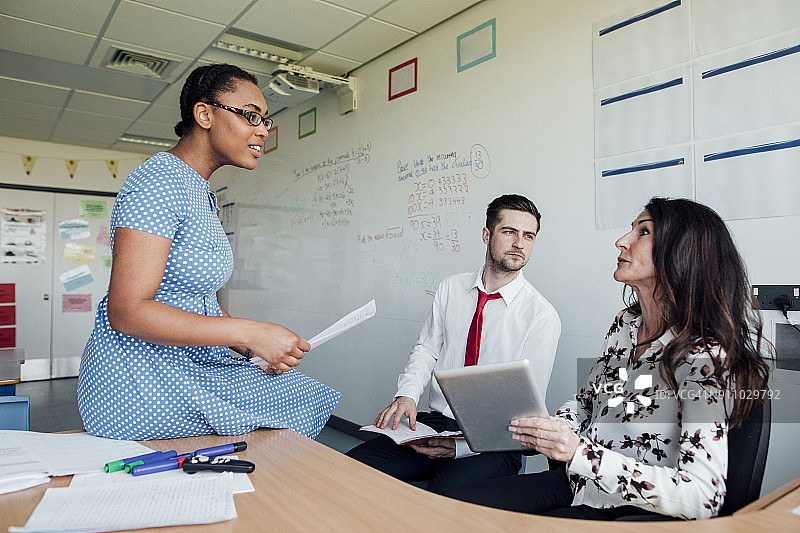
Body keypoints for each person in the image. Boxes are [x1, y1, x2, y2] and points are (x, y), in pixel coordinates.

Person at [443, 197, 770, 520]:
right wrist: (551, 428)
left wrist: (578, 452)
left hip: (631, 507)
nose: (622, 241)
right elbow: (590, 402)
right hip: (579, 484)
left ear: (682, 253)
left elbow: (701, 497)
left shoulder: (703, 356)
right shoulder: (625, 326)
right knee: (449, 510)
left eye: (643, 232)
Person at [78, 64, 340, 440]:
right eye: (251, 116)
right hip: (138, 381)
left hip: (183, 364)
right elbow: (128, 311)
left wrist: (249, 347)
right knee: (296, 400)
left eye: (265, 120)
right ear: (204, 114)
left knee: (301, 393)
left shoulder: (200, 192)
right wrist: (252, 331)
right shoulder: (157, 184)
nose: (263, 130)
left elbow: (197, 299)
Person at [346, 194, 561, 493]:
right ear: (487, 234)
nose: (519, 244)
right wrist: (406, 395)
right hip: (436, 423)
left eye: (529, 236)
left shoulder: (541, 316)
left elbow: (524, 411)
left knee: (442, 504)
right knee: (350, 470)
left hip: (493, 441)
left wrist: (461, 448)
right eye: (509, 232)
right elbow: (427, 349)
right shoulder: (451, 288)